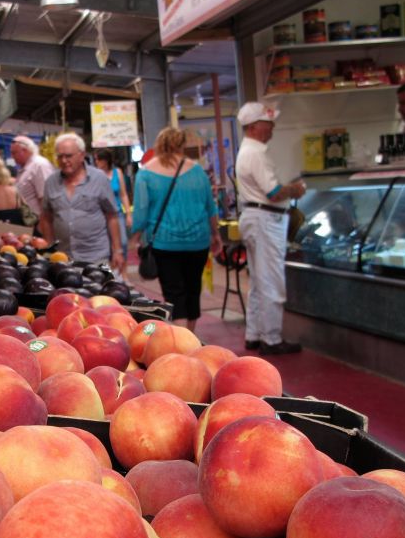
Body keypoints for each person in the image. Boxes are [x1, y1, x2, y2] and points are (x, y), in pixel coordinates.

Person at [128, 127, 221, 333]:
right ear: (182, 145)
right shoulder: (197, 172)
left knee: (174, 292)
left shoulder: (146, 174)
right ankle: (191, 335)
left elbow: (141, 212)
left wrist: (134, 239)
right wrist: (216, 234)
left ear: (159, 145)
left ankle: (182, 340)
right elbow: (210, 207)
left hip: (164, 243)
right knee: (192, 290)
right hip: (198, 241)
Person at [234, 101, 305, 355]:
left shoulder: (247, 151)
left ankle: (254, 333)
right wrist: (295, 189)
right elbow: (274, 192)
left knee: (257, 279)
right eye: (267, 122)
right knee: (272, 279)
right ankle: (272, 337)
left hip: (256, 218)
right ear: (254, 127)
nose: (272, 127)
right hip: (266, 220)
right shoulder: (256, 153)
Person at [38, 132, 124, 274]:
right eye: (60, 156)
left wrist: (118, 250)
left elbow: (112, 216)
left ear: (81, 155)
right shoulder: (51, 182)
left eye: (68, 156)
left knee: (98, 294)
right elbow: (46, 217)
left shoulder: (99, 179)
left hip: (96, 257)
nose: (64, 160)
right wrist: (49, 247)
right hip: (63, 259)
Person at [93, 148, 132, 260]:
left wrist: (128, 214)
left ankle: (122, 267)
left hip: (117, 211)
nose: (96, 162)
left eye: (98, 160)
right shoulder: (95, 175)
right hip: (101, 213)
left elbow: (123, 194)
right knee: (106, 244)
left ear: (105, 160)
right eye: (95, 160)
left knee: (123, 242)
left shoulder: (117, 172)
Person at [10, 135, 55, 222]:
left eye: (14, 153)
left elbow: (45, 199)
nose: (12, 156)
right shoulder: (26, 167)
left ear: (25, 151)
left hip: (38, 223)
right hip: (29, 222)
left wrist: (44, 225)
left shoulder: (39, 165)